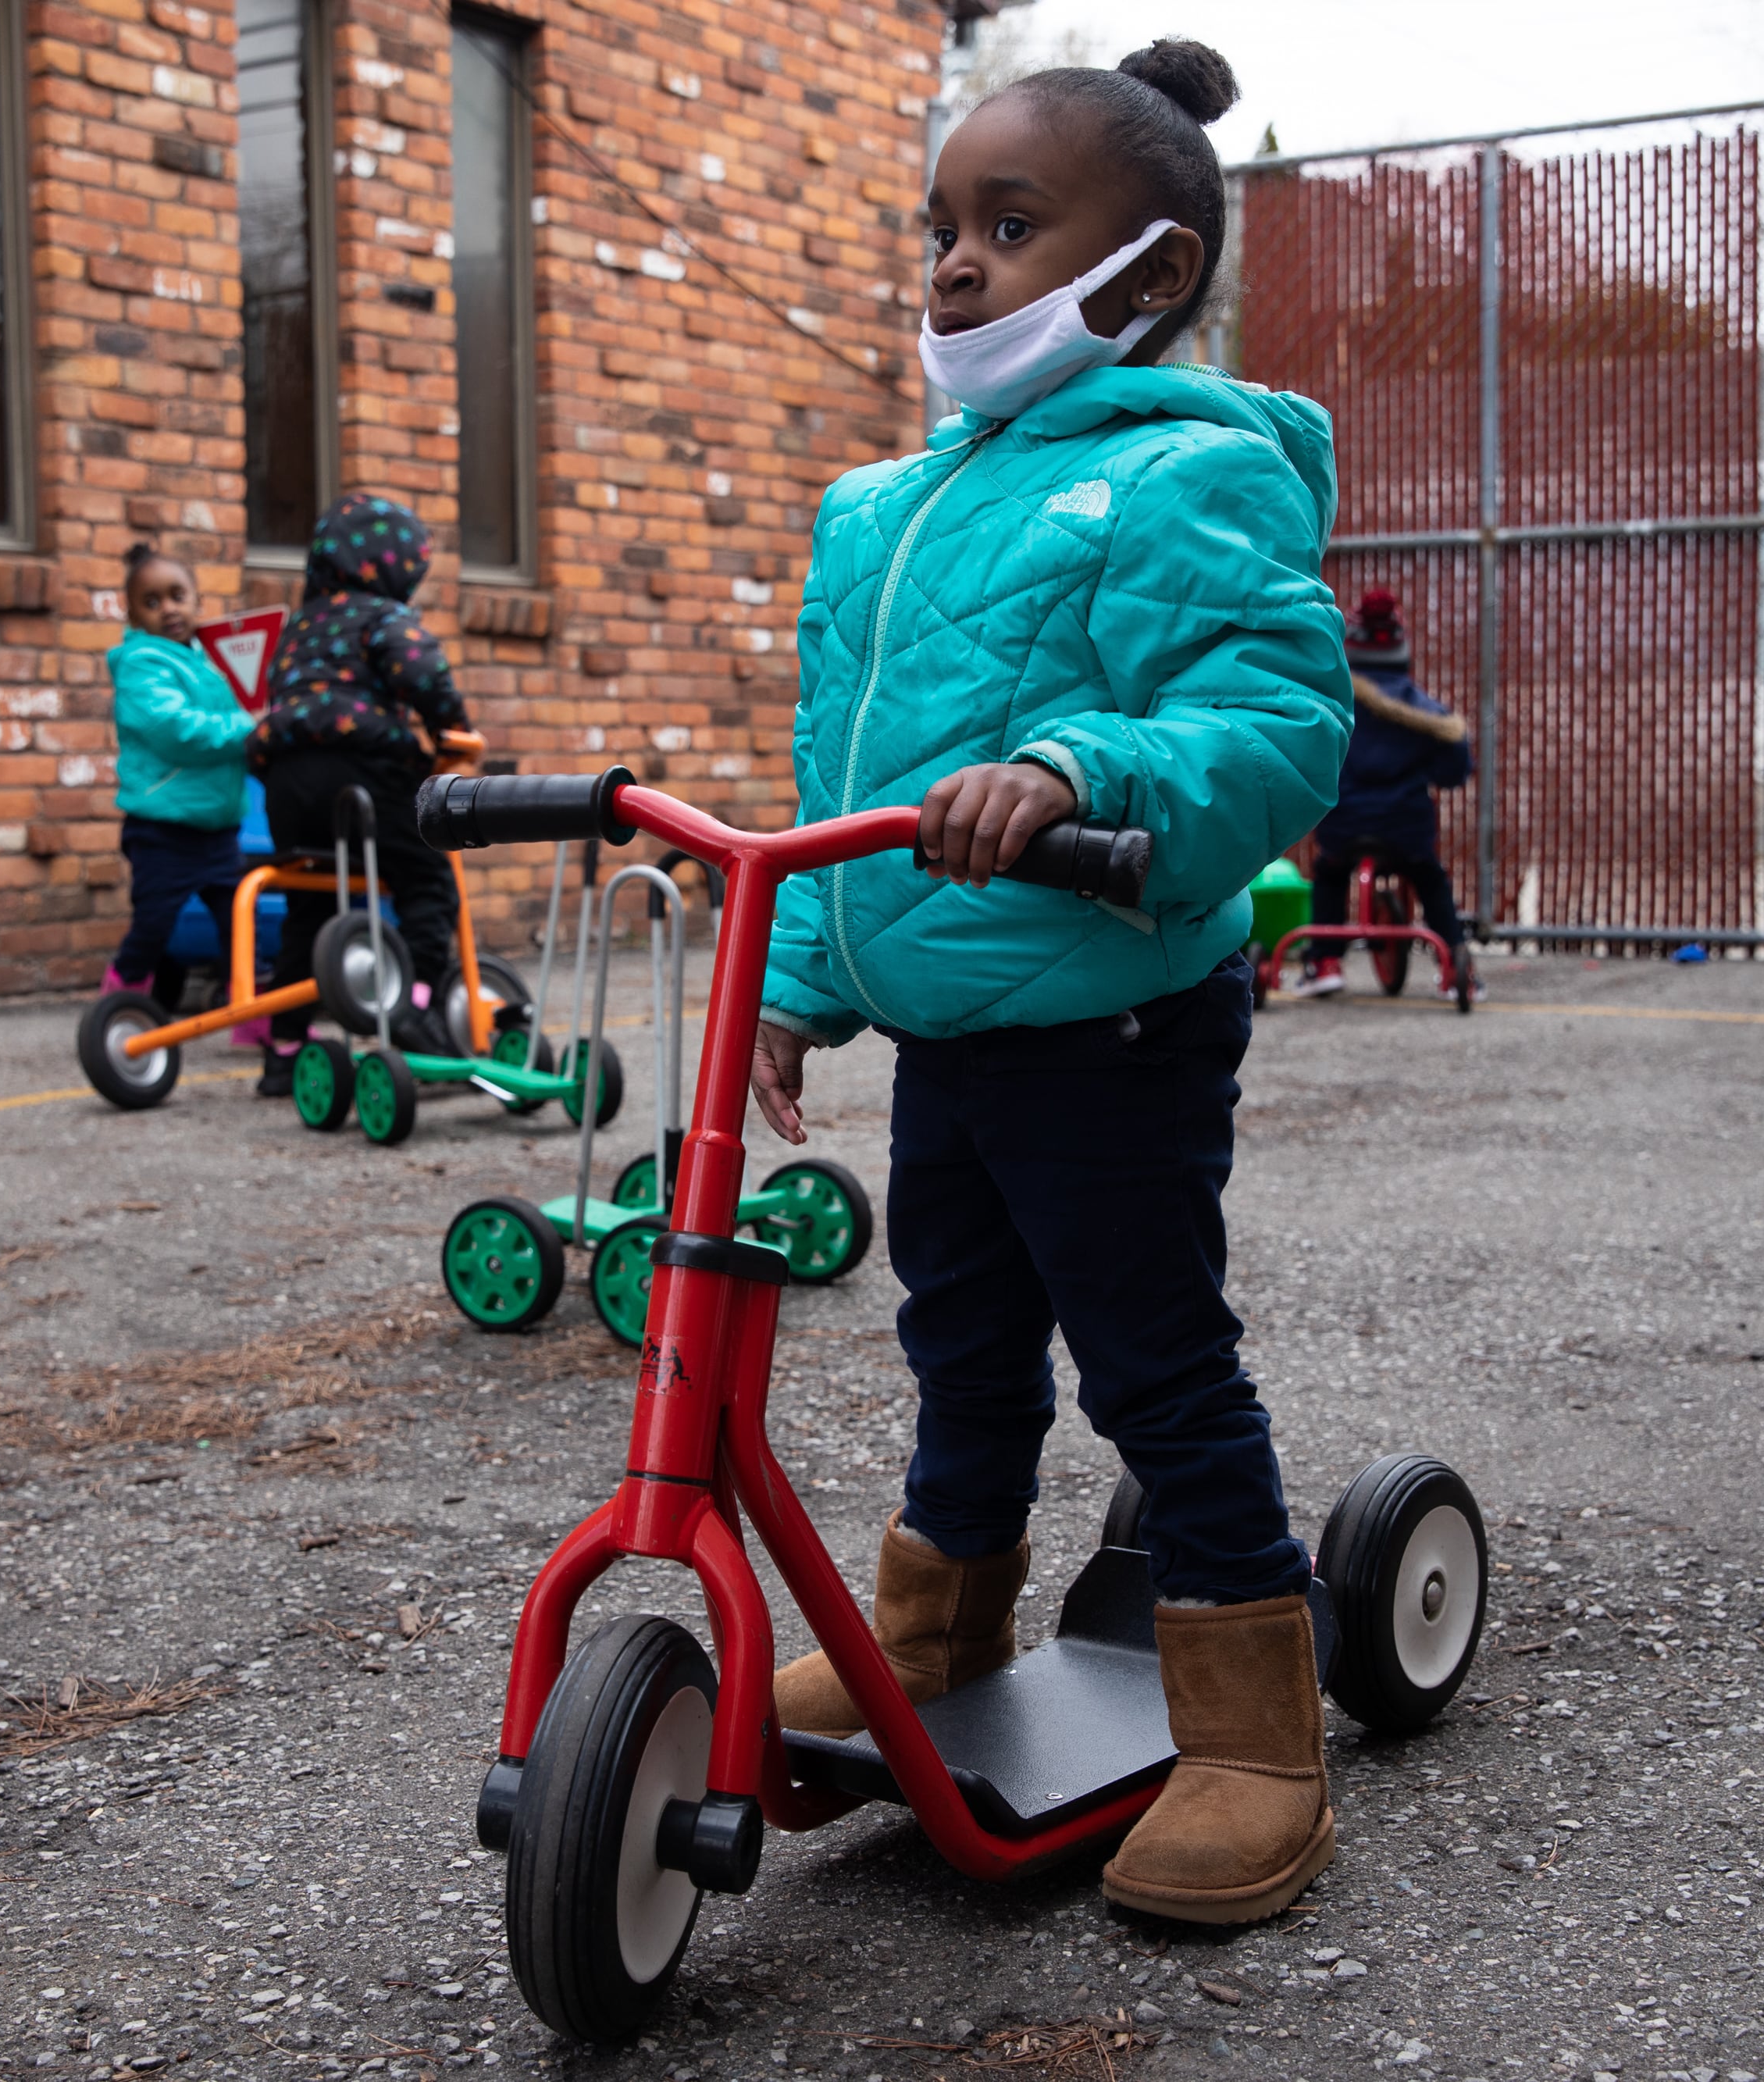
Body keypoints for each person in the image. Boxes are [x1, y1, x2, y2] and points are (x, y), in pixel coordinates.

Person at [749, 38, 1352, 1926]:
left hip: (1106, 1019)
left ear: (1147, 274)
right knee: (960, 1338)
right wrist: (790, 970)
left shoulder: (1182, 476)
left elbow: (1268, 716)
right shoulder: (884, 508)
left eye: (1008, 226)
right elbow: (834, 789)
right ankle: (932, 1624)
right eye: (940, 225)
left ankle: (1253, 1730)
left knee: (1153, 1358)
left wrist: (1085, 769)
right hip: (953, 1025)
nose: (953, 263)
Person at [253, 494, 475, 1076]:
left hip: (286, 780)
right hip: (362, 770)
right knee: (426, 879)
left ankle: (285, 1048)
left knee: (311, 903)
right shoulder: (382, 616)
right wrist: (451, 727)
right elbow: (420, 669)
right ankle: (418, 1002)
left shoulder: (299, 628)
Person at [1288, 584, 1474, 1001]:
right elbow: (1454, 768)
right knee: (1429, 878)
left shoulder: (1332, 707)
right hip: (1406, 828)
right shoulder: (1423, 710)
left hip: (1344, 825)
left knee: (1331, 873)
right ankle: (1456, 965)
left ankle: (1325, 960)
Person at [104, 544, 257, 1021]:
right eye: (152, 602)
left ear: (197, 600)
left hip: (217, 827)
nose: (168, 609)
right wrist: (253, 729)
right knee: (153, 924)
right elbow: (177, 730)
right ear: (132, 614)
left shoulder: (207, 661)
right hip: (163, 829)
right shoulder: (141, 663)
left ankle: (248, 1010)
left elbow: (240, 708)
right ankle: (118, 1004)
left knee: (238, 924)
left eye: (177, 596)